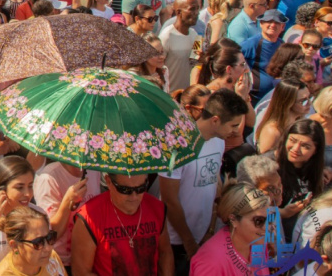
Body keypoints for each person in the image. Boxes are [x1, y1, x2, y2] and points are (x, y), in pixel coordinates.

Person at [160, 90, 248, 275]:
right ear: (215, 120)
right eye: (233, 125)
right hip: (177, 242)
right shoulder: (177, 145)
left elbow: (213, 180)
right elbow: (169, 200)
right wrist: (188, 241)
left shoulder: (219, 141)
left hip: (204, 236)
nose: (235, 131)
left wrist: (210, 228)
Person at [71, 172, 174, 276]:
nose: (134, 197)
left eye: (141, 188)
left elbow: (165, 253)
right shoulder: (89, 216)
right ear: (109, 182)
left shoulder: (157, 208)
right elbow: (81, 272)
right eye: (125, 190)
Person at [188, 182, 270, 275]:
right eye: (259, 221)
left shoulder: (258, 244)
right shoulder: (212, 262)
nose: (267, 227)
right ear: (234, 220)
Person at [275, 119, 325, 240]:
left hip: (300, 237)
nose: (296, 149)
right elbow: (252, 209)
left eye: (305, 146)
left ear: (315, 151)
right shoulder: (270, 167)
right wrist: (282, 213)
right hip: (274, 240)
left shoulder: (315, 171)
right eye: (292, 140)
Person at [0, 206, 65, 276]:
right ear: (15, 245)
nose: (48, 248)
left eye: (49, 237)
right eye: (38, 242)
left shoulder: (52, 258)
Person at [241, 9, 288, 104]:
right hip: (255, 97)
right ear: (261, 23)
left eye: (277, 23)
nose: (273, 25)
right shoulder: (251, 44)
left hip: (277, 97)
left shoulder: (282, 45)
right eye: (269, 21)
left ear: (282, 27)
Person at [254, 79, 311, 154]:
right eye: (303, 101)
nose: (309, 103)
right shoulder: (273, 131)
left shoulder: (300, 122)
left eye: (309, 98)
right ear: (288, 103)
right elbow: (264, 161)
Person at [159, 0, 203, 92]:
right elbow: (158, 67)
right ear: (179, 12)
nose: (197, 13)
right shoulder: (166, 36)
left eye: (197, 9)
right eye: (192, 9)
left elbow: (195, 61)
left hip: (186, 94)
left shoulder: (194, 34)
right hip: (170, 94)